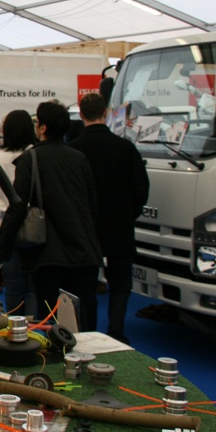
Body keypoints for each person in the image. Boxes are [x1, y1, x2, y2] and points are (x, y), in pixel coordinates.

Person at [0, 101, 102, 330]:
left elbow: (17, 207)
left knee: (50, 320)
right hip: (84, 250)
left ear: (43, 128)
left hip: (49, 254)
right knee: (83, 320)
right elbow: (92, 205)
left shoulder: (30, 160)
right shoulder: (79, 158)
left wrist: (1, 248)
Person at [69, 92, 150, 344]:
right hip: (119, 225)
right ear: (105, 113)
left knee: (85, 284)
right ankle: (116, 330)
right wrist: (127, 214)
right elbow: (141, 189)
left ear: (81, 114)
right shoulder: (126, 148)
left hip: (85, 228)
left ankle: (88, 334)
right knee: (120, 284)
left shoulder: (73, 150)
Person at [0, 109, 37, 317]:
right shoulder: (37, 155)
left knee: (13, 285)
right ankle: (35, 329)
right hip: (34, 227)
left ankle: (15, 329)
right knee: (32, 286)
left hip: (4, 228)